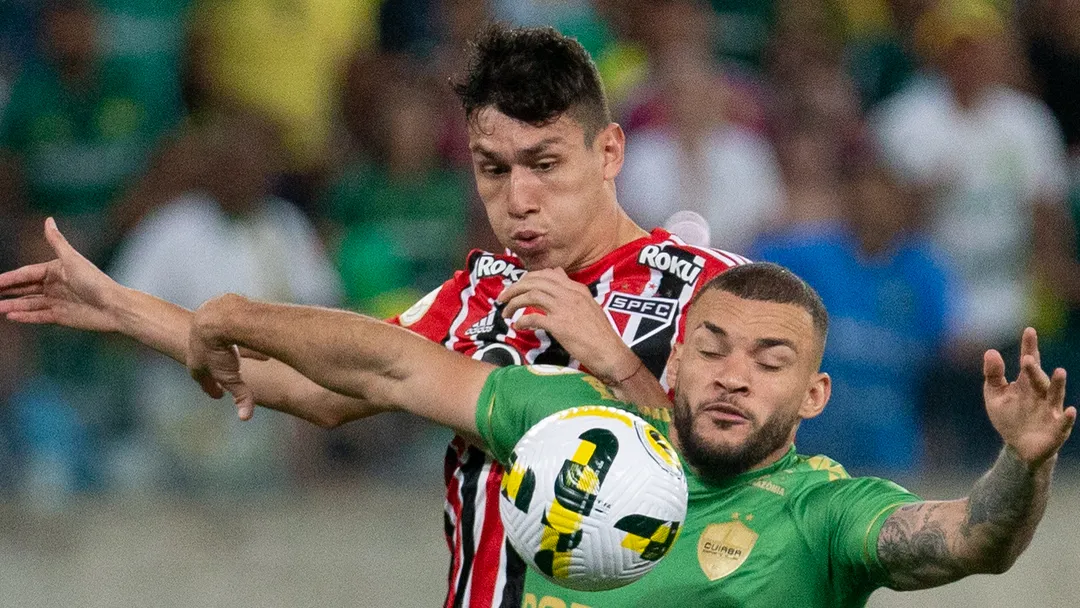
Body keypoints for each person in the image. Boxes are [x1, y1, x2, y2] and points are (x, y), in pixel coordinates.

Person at [0, 24, 746, 607]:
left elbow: (753, 488)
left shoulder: (715, 292)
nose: (518, 199)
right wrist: (124, 308)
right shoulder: (473, 297)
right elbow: (320, 393)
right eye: (493, 168)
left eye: (544, 164)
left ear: (609, 152)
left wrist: (614, 361)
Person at [170, 262, 1073, 607]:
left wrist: (1023, 464)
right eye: (712, 348)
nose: (732, 374)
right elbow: (398, 365)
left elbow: (969, 541)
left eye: (769, 361)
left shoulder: (822, 514)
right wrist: (240, 314)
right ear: (673, 364)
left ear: (814, 397)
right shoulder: (575, 433)